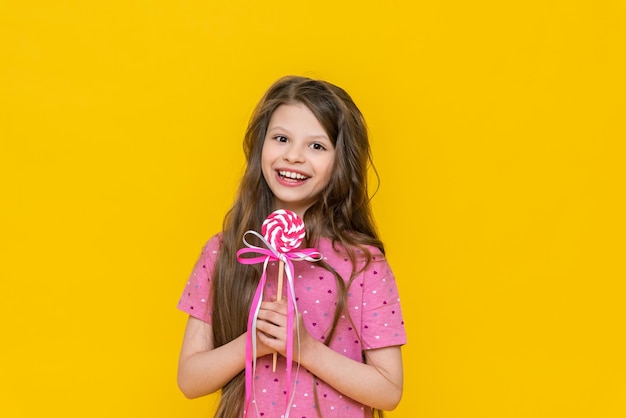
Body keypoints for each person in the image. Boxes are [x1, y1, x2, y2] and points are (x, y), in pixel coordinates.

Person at [177, 75, 407, 418]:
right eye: (281, 138)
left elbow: (389, 390)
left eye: (316, 146)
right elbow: (190, 380)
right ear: (260, 147)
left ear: (340, 161)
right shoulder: (224, 252)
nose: (294, 156)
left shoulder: (362, 263)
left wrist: (305, 349)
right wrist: (254, 342)